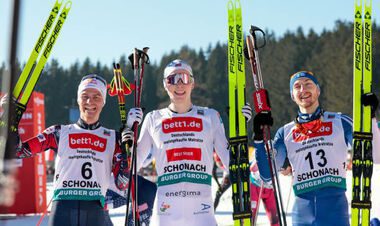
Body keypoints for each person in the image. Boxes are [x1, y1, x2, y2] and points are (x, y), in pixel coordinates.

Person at [125, 59, 250, 226]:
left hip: (202, 213)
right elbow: (133, 164)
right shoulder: (153, 119)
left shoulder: (210, 117)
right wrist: (128, 130)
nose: (179, 85)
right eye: (172, 79)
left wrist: (240, 129)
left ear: (192, 83)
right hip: (165, 213)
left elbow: (230, 164)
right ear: (165, 84)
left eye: (183, 78)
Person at [254, 71, 379, 226]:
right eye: (297, 86)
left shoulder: (340, 122)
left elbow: (376, 155)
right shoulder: (285, 133)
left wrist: (371, 117)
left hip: (335, 211)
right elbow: (267, 176)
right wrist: (259, 138)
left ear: (318, 90)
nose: (303, 90)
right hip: (302, 214)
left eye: (308, 84)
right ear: (292, 96)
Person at [13, 74, 137, 226]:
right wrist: (11, 122)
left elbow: (122, 183)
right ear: (78, 99)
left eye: (96, 97)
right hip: (62, 208)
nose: (90, 102)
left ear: (103, 101)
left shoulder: (114, 138)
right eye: (85, 96)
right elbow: (19, 151)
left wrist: (127, 150)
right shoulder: (58, 132)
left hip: (94, 211)